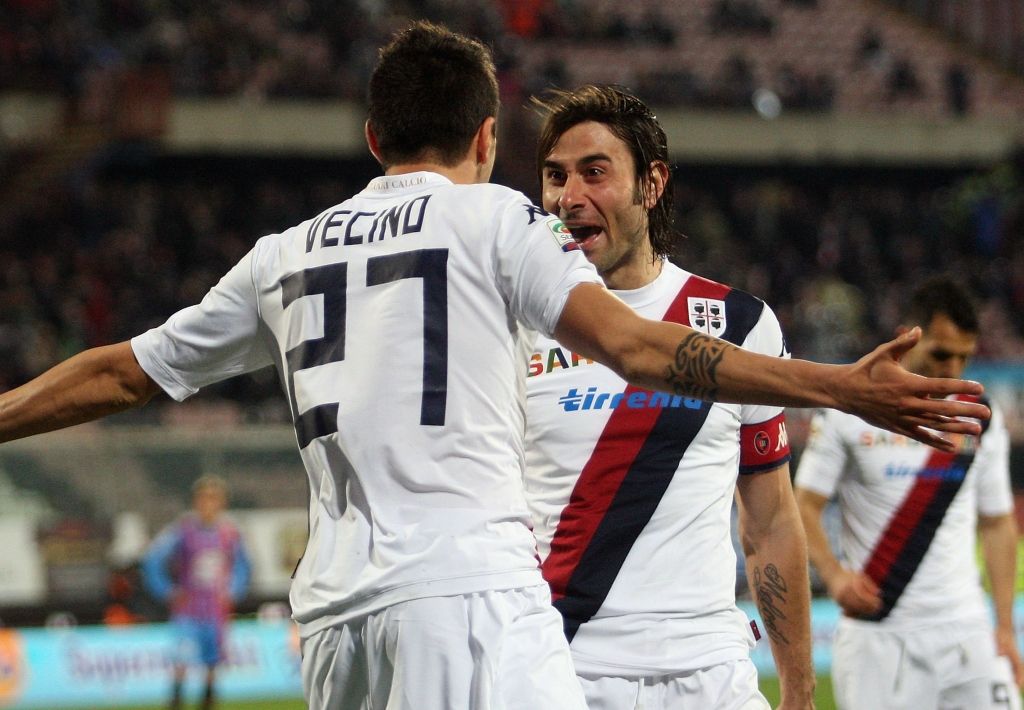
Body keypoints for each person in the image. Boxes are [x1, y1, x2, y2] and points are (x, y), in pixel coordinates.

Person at [0, 20, 990, 710]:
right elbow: (639, 348)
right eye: (546, 171)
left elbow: (124, 371)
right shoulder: (494, 224)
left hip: (338, 612)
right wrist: (838, 384)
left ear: (371, 136)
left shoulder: (284, 252)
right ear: (488, 139)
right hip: (471, 599)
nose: (559, 196)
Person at [524, 84, 812, 709]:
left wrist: (798, 686)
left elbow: (769, 523)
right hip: (561, 669)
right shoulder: (511, 325)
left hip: (711, 673)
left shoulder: (741, 324)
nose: (568, 198)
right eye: (554, 177)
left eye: (594, 173)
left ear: (651, 185)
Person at [794, 277, 1022, 710]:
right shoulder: (850, 410)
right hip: (879, 634)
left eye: (964, 357)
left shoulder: (979, 420)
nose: (953, 369)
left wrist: (1006, 630)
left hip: (967, 628)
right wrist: (836, 576)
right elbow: (804, 504)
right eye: (940, 353)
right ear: (906, 337)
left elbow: (996, 524)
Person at [142, 475, 251, 710]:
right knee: (181, 658)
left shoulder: (229, 534)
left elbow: (242, 567)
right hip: (188, 608)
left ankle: (207, 701)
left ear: (222, 503)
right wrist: (167, 590)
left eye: (214, 499)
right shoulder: (182, 531)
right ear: (196, 501)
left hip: (215, 609)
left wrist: (233, 592)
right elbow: (153, 560)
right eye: (204, 498)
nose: (209, 504)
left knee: (212, 661)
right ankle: (176, 700)